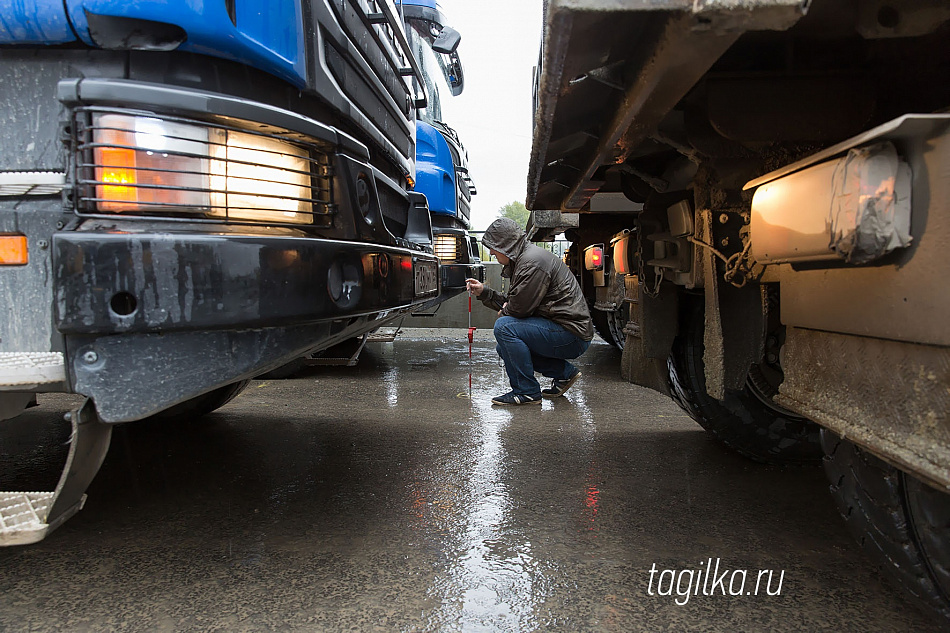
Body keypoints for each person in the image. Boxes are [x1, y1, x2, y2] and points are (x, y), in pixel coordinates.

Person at [465, 217, 594, 406]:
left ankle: (526, 392)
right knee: (505, 347)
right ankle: (565, 374)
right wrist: (485, 293)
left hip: (571, 334)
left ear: (505, 245)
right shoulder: (525, 259)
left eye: (493, 246)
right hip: (566, 329)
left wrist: (506, 312)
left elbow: (518, 309)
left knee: (504, 327)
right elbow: (516, 303)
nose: (491, 252)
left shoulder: (532, 263)